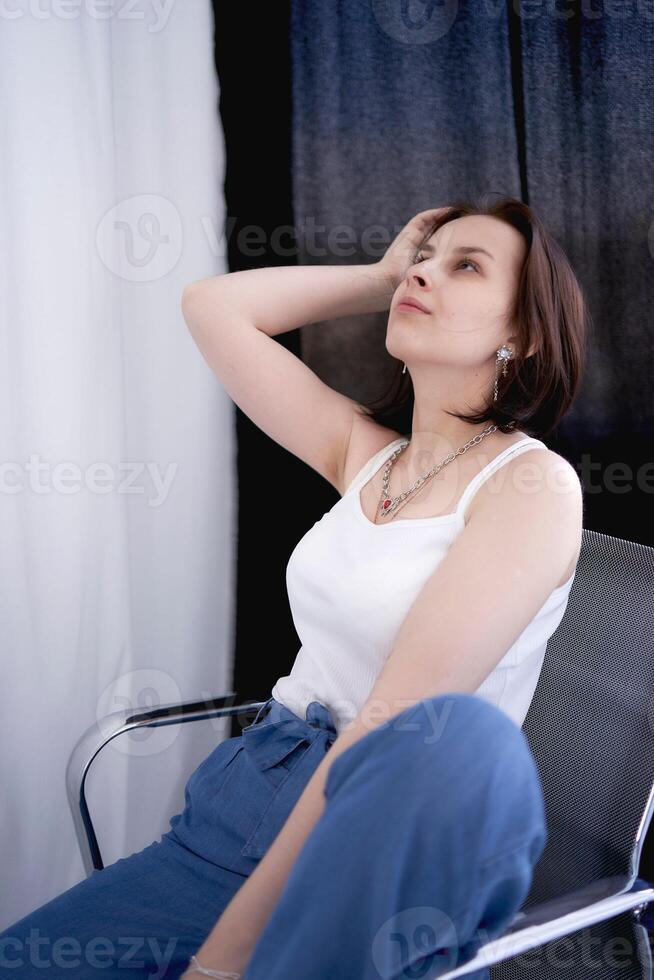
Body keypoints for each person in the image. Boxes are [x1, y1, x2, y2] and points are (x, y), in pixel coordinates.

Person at [0, 196, 588, 979]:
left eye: (466, 265)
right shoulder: (365, 456)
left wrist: (220, 964)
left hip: (365, 843)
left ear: (522, 333)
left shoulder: (532, 486)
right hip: (234, 817)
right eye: (425, 255)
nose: (423, 270)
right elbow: (211, 307)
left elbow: (389, 722)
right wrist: (379, 275)